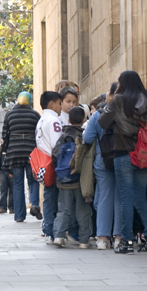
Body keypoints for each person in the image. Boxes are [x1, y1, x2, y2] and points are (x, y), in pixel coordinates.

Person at [98, 71, 147, 254]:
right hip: (143, 155)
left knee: (126, 197)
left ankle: (126, 240)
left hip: (123, 153)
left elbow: (103, 123)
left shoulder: (118, 100)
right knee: (141, 198)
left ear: (122, 83)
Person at [84, 83, 122, 249]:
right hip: (122, 158)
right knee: (121, 197)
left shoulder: (98, 115)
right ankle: (120, 236)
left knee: (105, 197)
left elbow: (87, 138)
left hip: (103, 159)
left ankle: (102, 238)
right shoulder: (127, 113)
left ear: (112, 96)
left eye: (108, 92)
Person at [52, 106, 93, 248]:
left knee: (64, 209)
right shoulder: (84, 137)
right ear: (83, 120)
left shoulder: (62, 136)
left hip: (63, 180)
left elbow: (55, 155)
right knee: (83, 210)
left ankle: (58, 236)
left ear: (68, 120)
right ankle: (84, 240)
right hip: (80, 180)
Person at [2, 92, 42, 222]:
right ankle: (35, 204)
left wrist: (7, 150)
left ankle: (19, 215)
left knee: (18, 184)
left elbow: (4, 136)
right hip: (31, 151)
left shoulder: (10, 115)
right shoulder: (35, 115)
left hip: (14, 152)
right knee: (33, 180)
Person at [36, 90, 64, 242]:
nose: (61, 107)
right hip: (53, 164)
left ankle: (48, 229)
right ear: (52, 104)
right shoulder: (53, 120)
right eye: (60, 104)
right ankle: (52, 230)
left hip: (44, 163)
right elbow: (57, 145)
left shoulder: (42, 119)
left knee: (49, 197)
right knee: (54, 198)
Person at [0, 143, 13, 214]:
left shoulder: (11, 146)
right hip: (2, 171)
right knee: (3, 190)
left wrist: (11, 171)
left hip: (10, 171)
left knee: (11, 190)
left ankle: (11, 207)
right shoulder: (1, 147)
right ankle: (2, 207)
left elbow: (12, 159)